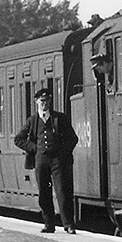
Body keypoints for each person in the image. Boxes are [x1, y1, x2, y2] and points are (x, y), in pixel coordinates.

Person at [14, 87, 79, 234]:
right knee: (44, 193)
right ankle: (49, 224)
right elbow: (18, 139)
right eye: (42, 101)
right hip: (41, 160)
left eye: (47, 101)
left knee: (62, 191)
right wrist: (33, 148)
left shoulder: (60, 118)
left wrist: (62, 152)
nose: (45, 104)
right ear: (37, 102)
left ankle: (68, 225)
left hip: (58, 160)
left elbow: (73, 138)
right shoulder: (32, 121)